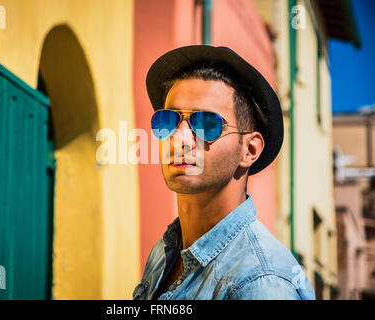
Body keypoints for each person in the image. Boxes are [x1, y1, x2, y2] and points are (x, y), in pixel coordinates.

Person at [133, 45, 315, 300]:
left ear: (249, 150)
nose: (180, 138)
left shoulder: (262, 284)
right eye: (168, 120)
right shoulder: (165, 252)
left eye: (206, 123)